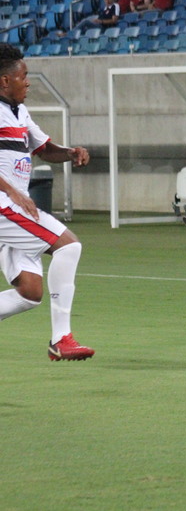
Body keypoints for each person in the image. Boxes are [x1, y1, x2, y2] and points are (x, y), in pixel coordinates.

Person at [0, 44, 94, 361]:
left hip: (13, 207)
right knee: (68, 246)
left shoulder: (19, 112)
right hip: (4, 206)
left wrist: (69, 153)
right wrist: (12, 192)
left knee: (29, 293)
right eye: (23, 76)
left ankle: (60, 339)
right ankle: (61, 339)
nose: (27, 82)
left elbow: (45, 148)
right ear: (4, 80)